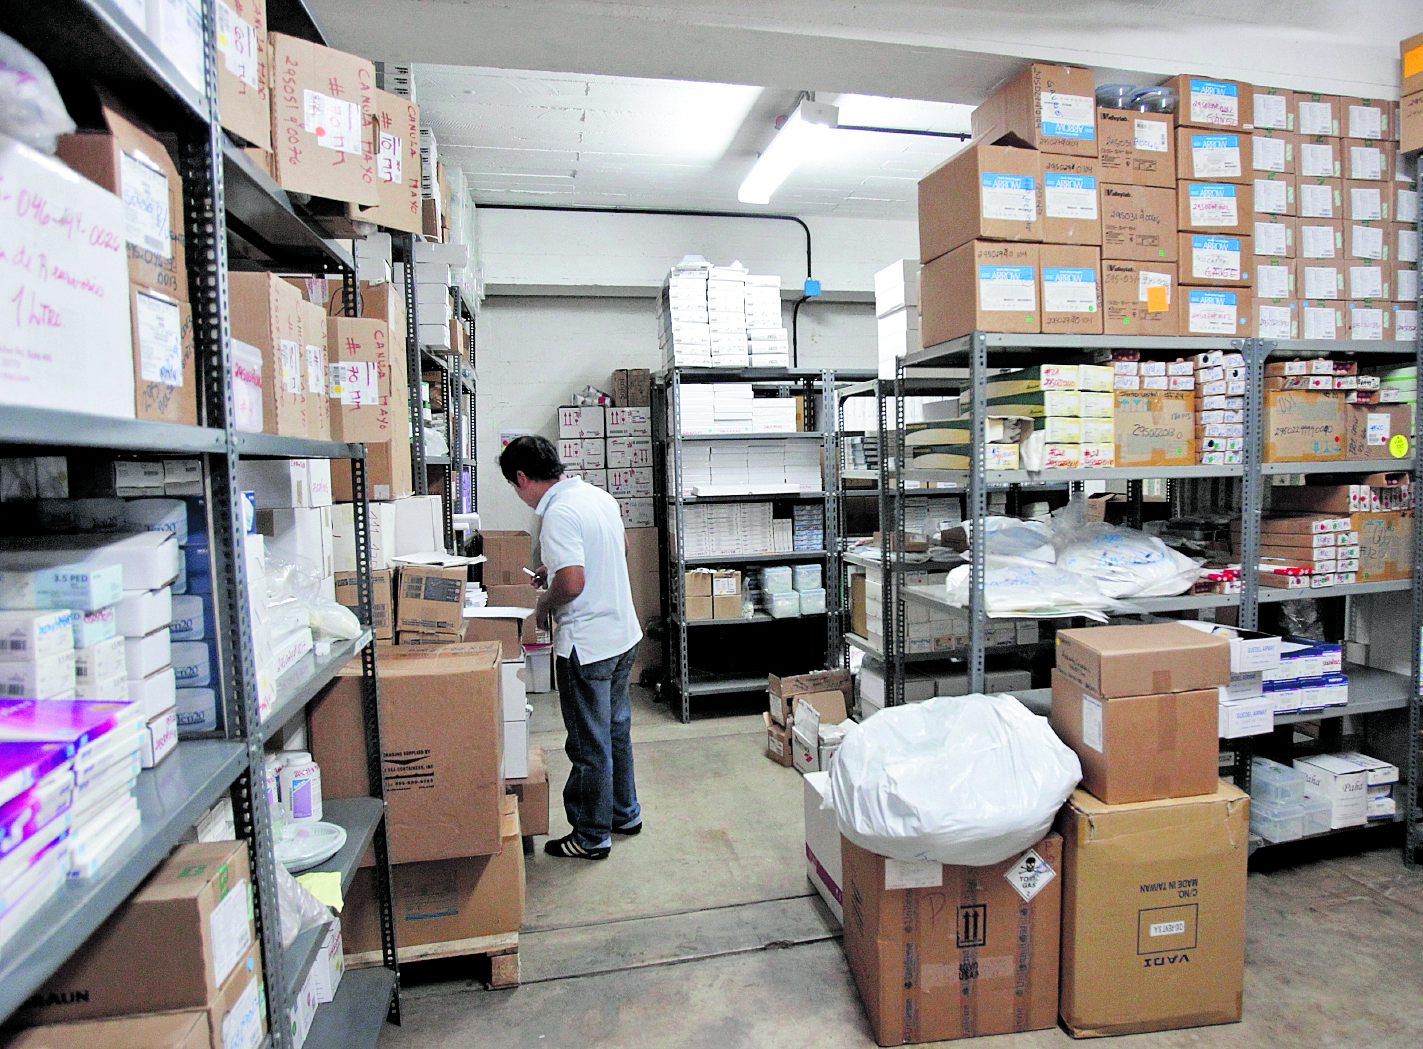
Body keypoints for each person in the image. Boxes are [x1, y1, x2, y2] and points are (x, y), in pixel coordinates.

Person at [499, 435, 643, 860]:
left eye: (514, 486)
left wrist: (542, 604)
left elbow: (574, 583)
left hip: (588, 643)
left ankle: (589, 835)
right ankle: (624, 813)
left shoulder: (557, 513)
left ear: (522, 478)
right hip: (622, 635)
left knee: (587, 743)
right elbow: (618, 548)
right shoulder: (596, 496)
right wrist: (555, 567)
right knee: (615, 730)